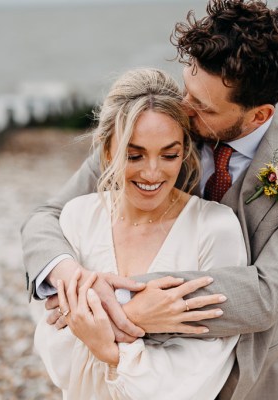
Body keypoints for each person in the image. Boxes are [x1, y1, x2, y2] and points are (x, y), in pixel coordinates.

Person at [22, 1, 278, 399]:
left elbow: (267, 294)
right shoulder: (158, 127)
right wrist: (67, 275)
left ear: (259, 115)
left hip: (249, 376)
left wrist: (114, 303)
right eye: (187, 88)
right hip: (134, 373)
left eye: (203, 106)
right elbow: (47, 217)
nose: (184, 108)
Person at [33, 67, 248, 399]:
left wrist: (110, 350)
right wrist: (134, 320)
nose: (151, 172)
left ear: (186, 152)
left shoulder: (216, 229)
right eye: (134, 155)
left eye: (169, 154)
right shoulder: (78, 217)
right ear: (107, 152)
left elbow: (202, 368)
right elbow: (54, 351)